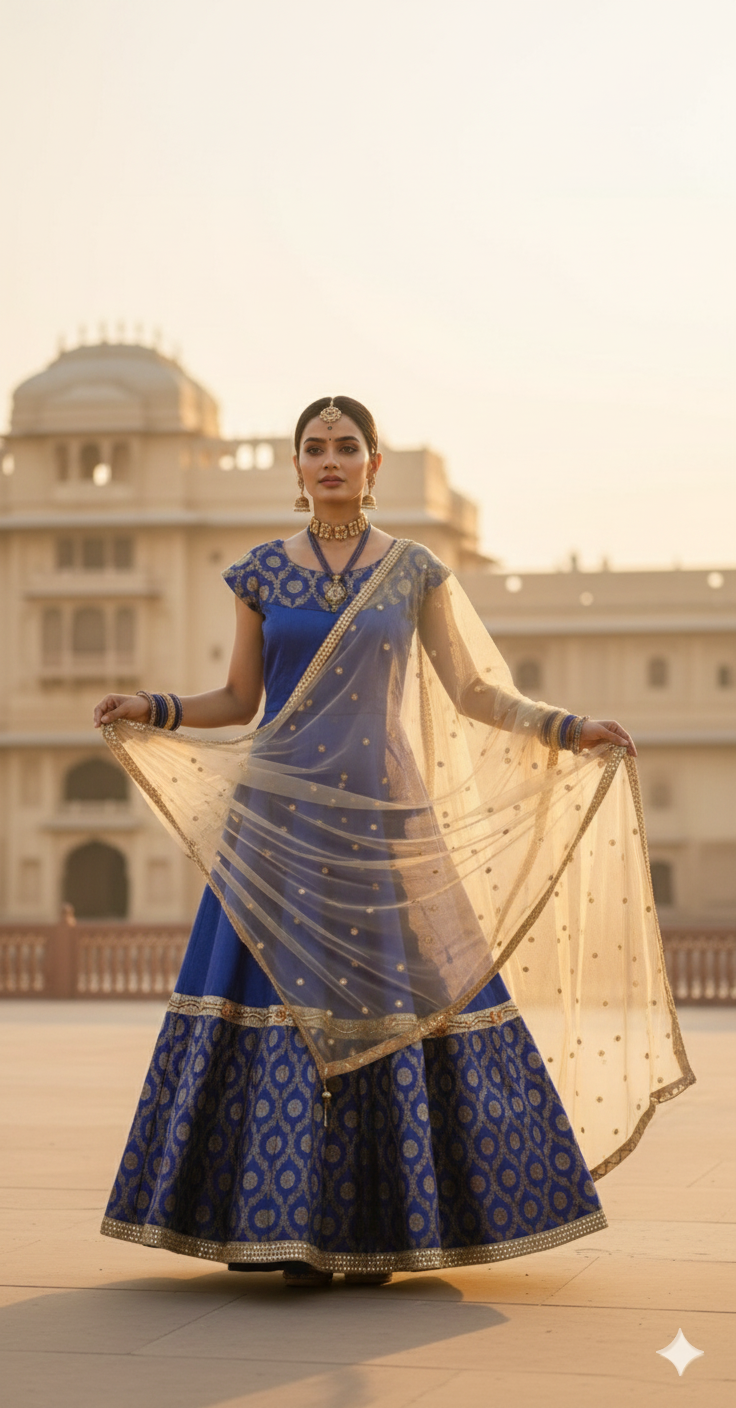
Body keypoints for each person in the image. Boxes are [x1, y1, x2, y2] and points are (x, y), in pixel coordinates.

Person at [94, 395, 695, 1288]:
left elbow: (474, 694)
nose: (330, 461)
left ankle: (383, 1227)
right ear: (296, 470)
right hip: (281, 834)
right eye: (314, 449)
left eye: (346, 446)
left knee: (390, 1014)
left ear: (373, 463)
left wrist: (569, 729)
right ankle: (277, 1226)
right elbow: (239, 702)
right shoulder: (259, 573)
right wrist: (158, 709)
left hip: (383, 827)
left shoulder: (413, 571)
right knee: (281, 1014)